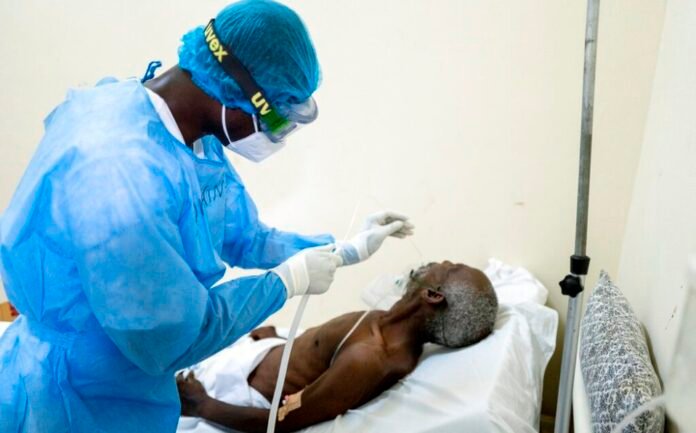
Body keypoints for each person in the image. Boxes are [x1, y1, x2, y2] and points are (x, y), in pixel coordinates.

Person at [0, 1, 413, 432]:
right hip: (74, 397)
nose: (275, 138)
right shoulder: (122, 175)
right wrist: (284, 283)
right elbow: (172, 338)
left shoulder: (190, 132)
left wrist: (344, 249)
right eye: (276, 121)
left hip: (127, 383)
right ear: (242, 98)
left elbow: (244, 236)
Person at [176, 261, 499, 433]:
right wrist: (280, 340)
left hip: (233, 391)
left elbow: (284, 421)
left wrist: (203, 406)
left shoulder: (370, 356)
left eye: (450, 267)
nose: (441, 261)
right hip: (258, 354)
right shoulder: (384, 322)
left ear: (433, 295)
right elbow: (321, 352)